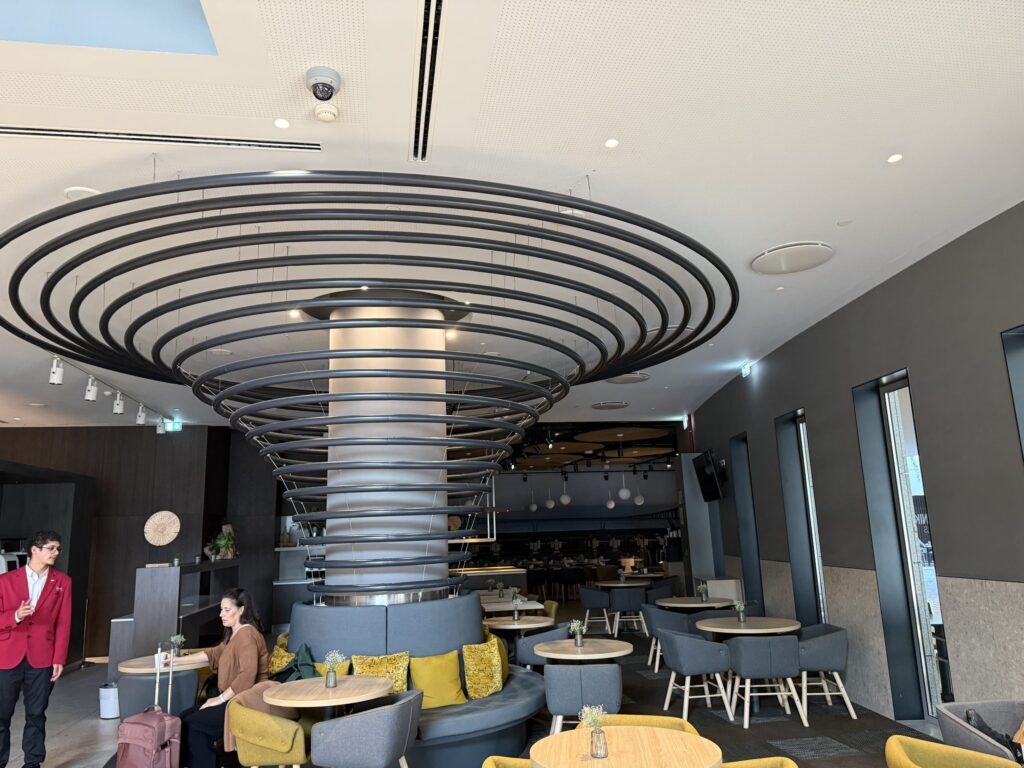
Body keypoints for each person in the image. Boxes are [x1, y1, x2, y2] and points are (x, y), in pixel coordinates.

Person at [0, 530, 71, 768]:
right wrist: (15, 616)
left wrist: (59, 657)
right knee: (1, 716)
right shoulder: (5, 581)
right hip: (7, 657)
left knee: (36, 715)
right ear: (35, 549)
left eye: (58, 549)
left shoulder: (62, 582)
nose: (56, 553)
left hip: (43, 658)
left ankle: (32, 763)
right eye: (51, 548)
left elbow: (63, 622)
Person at [177, 588, 268, 768]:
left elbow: (247, 675)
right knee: (181, 719)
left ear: (241, 610)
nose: (221, 614)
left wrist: (218, 699)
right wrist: (176, 660)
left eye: (227, 610)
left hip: (246, 701)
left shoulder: (246, 635)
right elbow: (213, 653)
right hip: (233, 698)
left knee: (194, 726)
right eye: (221, 609)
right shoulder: (234, 633)